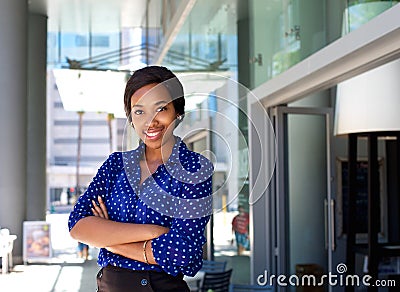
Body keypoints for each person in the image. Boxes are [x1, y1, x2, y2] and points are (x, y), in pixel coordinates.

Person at [68, 66, 213, 292]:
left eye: (161, 108)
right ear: (131, 118)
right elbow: (77, 224)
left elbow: (185, 254)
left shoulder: (195, 169)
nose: (150, 121)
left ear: (177, 111)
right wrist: (154, 232)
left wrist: (107, 238)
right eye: (139, 111)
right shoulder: (115, 166)